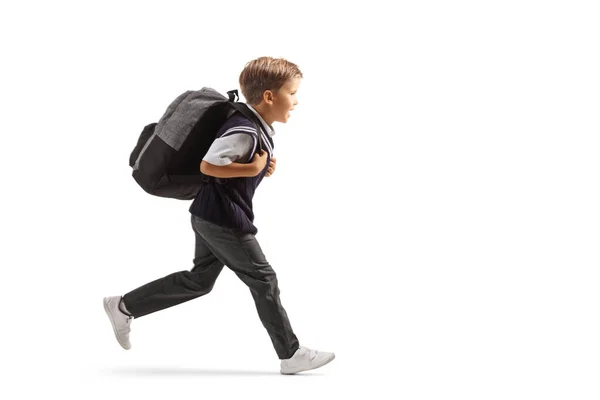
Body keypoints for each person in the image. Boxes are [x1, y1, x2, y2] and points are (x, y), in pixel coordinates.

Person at [103, 56, 335, 375]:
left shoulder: (251, 123)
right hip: (222, 219)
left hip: (209, 212)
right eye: (292, 93)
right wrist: (252, 167)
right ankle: (291, 353)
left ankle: (123, 306)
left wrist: (256, 169)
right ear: (269, 96)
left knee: (199, 280)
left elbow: (227, 163)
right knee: (263, 278)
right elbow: (209, 164)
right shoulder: (245, 128)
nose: (296, 100)